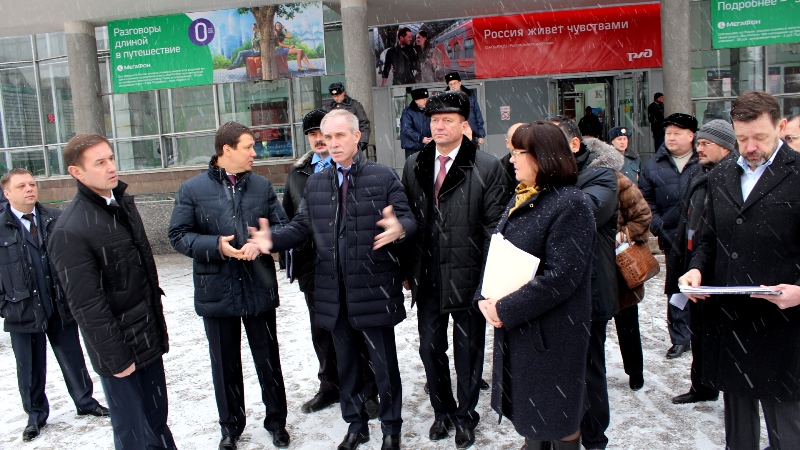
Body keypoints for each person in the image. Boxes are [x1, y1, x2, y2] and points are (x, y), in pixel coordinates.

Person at [248, 109, 417, 450]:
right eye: (328, 137)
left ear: (357, 137)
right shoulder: (317, 181)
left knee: (384, 366)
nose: (333, 143)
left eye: (341, 135)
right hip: (333, 291)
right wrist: (273, 240)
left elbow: (408, 218)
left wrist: (400, 229)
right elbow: (300, 226)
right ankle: (356, 424)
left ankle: (390, 428)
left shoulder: (382, 177)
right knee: (347, 365)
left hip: (372, 287)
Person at [680, 91, 800, 449]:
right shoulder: (720, 177)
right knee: (739, 432)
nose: (750, 147)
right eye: (742, 137)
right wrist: (696, 271)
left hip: (784, 324)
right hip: (731, 321)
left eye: (760, 137)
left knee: (787, 431)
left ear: (779, 127)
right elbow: (707, 240)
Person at [168, 121, 290, 450]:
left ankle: (277, 422)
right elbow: (177, 236)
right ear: (227, 150)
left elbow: (282, 226)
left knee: (268, 359)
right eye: (249, 147)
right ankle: (230, 427)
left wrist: (263, 242)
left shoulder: (261, 186)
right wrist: (215, 246)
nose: (255, 153)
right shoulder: (192, 189)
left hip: (257, 285)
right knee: (224, 363)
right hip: (216, 289)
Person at [48, 134, 175, 450]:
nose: (110, 167)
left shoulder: (120, 204)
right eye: (99, 162)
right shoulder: (71, 229)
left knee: (157, 423)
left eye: (111, 158)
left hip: (147, 337)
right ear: (77, 172)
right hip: (120, 351)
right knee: (132, 434)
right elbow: (87, 307)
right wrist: (117, 359)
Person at [476, 121, 595, 450]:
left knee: (556, 418)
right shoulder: (524, 196)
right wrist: (485, 298)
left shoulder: (570, 203)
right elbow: (499, 252)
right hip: (523, 330)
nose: (511, 159)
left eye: (518, 152)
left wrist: (506, 307)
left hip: (553, 335)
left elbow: (562, 277)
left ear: (543, 156)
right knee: (534, 417)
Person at [401, 90, 509, 449]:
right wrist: (407, 268)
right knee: (430, 348)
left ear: (464, 125)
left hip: (468, 276)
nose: (440, 125)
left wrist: (488, 281)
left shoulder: (488, 166)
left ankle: (466, 415)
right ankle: (442, 411)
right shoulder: (415, 163)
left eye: (448, 119)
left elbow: (494, 228)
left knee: (468, 351)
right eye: (435, 120)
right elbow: (409, 220)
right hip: (428, 275)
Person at [282, 110, 380, 417]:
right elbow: (289, 219)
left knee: (358, 327)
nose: (319, 140)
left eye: (323, 133)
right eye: (312, 134)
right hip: (315, 267)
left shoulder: (358, 169)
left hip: (351, 265)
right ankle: (330, 386)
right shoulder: (298, 174)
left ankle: (368, 387)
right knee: (322, 330)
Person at [0, 168, 109, 442]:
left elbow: (76, 260)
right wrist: (5, 305)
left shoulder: (56, 220)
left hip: (60, 305)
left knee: (73, 357)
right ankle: (35, 415)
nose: (29, 189)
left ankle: (85, 402)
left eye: (32, 184)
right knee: (29, 367)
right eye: (22, 186)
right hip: (22, 310)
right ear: (7, 193)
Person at [548, 116, 620, 450]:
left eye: (550, 146)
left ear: (574, 146)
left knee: (589, 371)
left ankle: (593, 438)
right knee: (551, 371)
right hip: (551, 291)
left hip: (589, 291)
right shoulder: (548, 178)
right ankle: (554, 432)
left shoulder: (601, 175)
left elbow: (583, 214)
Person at [670, 119, 737, 405]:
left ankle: (727, 388)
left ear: (724, 146)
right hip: (692, 259)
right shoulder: (700, 172)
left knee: (717, 333)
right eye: (699, 143)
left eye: (705, 143)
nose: (699, 148)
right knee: (700, 330)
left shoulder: (732, 176)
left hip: (716, 265)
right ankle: (703, 386)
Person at [638, 113, 700, 360]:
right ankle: (680, 338)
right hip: (671, 236)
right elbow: (645, 199)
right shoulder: (654, 165)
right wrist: (658, 225)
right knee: (675, 288)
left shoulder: (702, 161)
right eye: (668, 133)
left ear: (691, 136)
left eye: (677, 133)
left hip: (702, 235)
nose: (671, 138)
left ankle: (702, 332)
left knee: (703, 286)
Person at [612, 150, 651, 392]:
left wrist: (622, 236)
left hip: (621, 265)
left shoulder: (617, 180)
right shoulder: (572, 181)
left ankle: (635, 371)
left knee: (627, 322)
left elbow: (643, 215)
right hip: (593, 266)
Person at [324, 82, 371, 151]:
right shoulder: (329, 108)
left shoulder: (355, 105)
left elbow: (364, 124)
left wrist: (362, 141)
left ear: (343, 93)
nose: (336, 98)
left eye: (338, 95)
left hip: (351, 142)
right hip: (334, 143)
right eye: (334, 96)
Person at [444, 72, 486, 147]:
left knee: (473, 157)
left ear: (460, 83)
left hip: (471, 135)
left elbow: (478, 116)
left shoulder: (470, 98)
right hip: (453, 136)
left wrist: (481, 134)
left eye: (455, 83)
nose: (453, 86)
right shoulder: (445, 100)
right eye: (451, 84)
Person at [400, 87, 432, 160]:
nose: (426, 101)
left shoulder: (430, 110)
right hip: (413, 148)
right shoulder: (408, 112)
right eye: (423, 99)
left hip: (429, 146)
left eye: (426, 98)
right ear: (416, 101)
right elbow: (407, 129)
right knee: (413, 169)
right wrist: (421, 138)